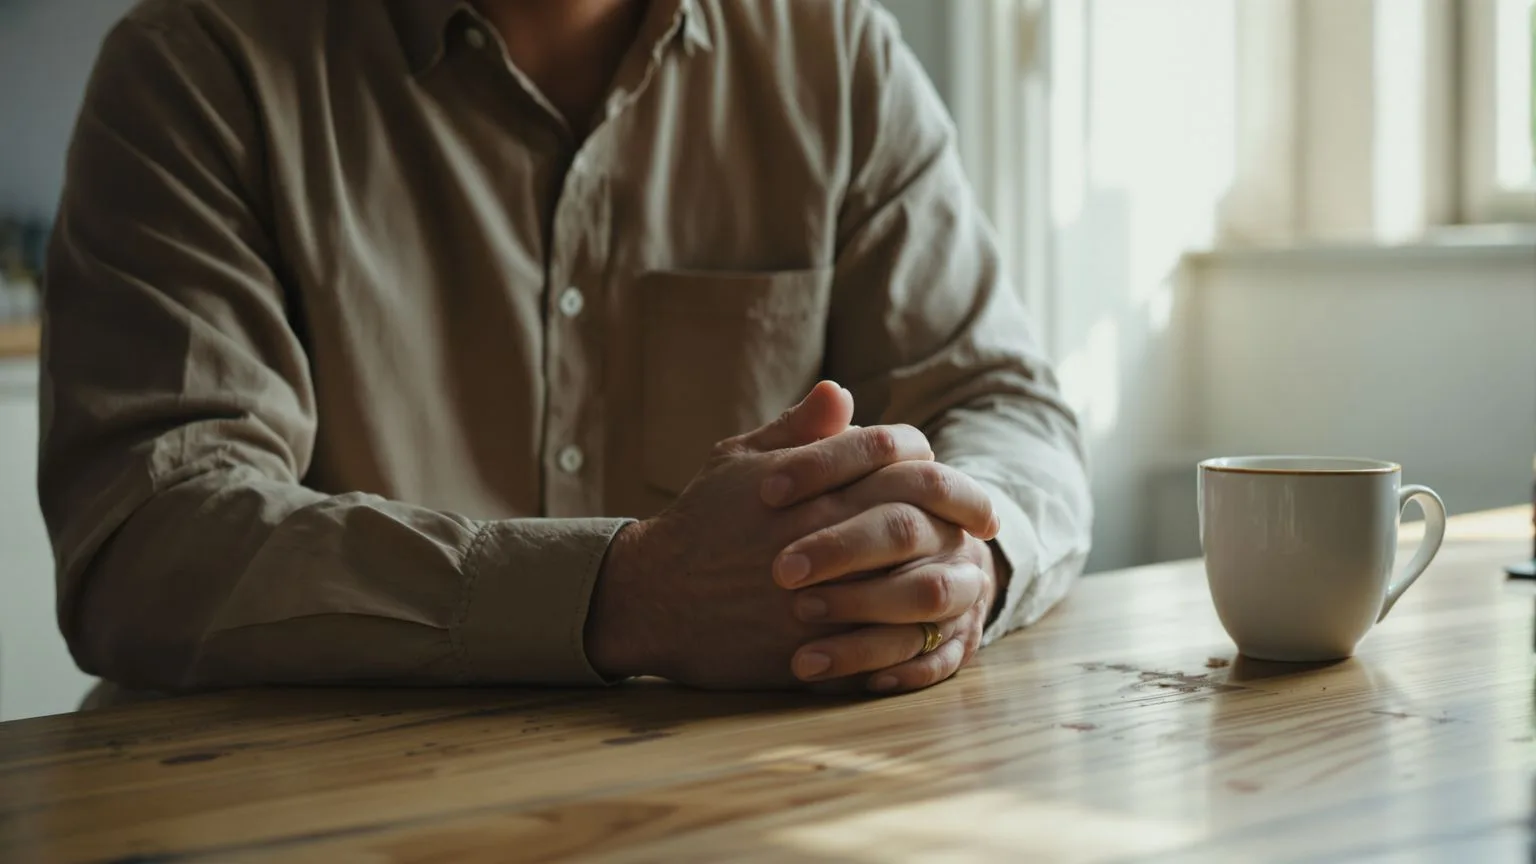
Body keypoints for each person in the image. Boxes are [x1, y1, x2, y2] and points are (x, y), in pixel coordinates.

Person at [39, 0, 1091, 700]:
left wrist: (958, 562)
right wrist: (629, 592)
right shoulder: (199, 63)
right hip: (298, 816)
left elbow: (1008, 408)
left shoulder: (838, 55)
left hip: (730, 808)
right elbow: (147, 540)